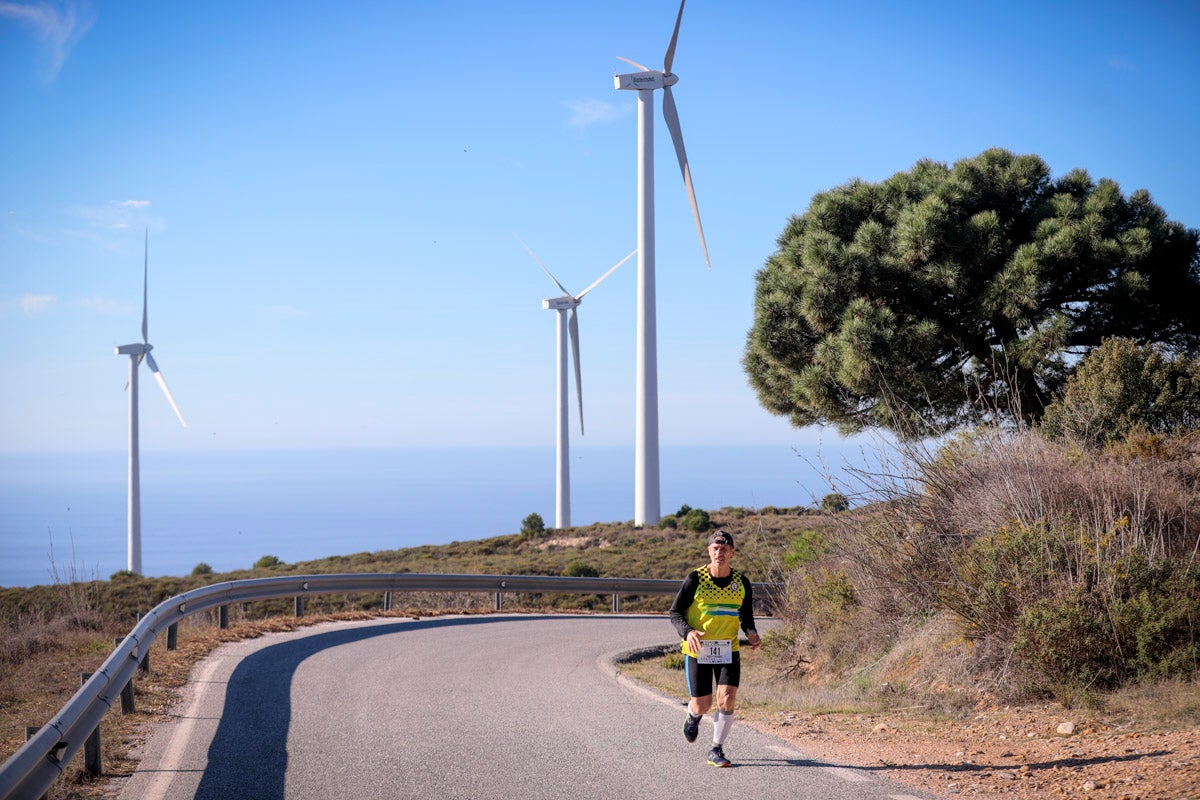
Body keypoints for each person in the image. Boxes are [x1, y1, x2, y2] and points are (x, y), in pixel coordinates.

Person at [668, 528, 761, 767]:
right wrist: (688, 632)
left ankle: (716, 749)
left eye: (724, 549)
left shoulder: (742, 582)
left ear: (732, 552)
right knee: (703, 704)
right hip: (697, 649)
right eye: (715, 549)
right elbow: (675, 612)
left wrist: (751, 632)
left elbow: (746, 615)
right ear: (709, 551)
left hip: (728, 649)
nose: (719, 553)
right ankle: (693, 714)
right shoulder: (695, 579)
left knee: (727, 699)